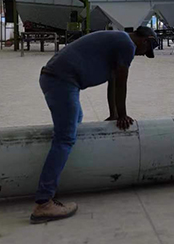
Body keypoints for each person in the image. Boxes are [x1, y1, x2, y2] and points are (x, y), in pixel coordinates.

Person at [30, 26, 158, 224]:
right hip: (62, 81)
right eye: (146, 50)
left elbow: (113, 79)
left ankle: (63, 178)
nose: (141, 54)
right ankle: (44, 202)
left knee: (75, 121)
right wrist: (123, 115)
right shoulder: (127, 44)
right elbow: (122, 82)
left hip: (57, 78)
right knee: (64, 138)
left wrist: (114, 115)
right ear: (144, 40)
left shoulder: (118, 40)